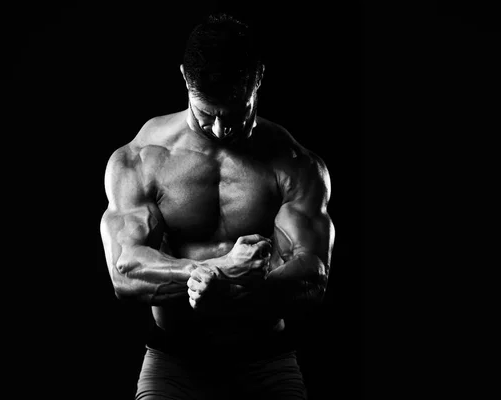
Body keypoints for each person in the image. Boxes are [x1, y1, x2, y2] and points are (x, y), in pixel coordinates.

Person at [100, 12, 334, 400]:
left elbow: (314, 277)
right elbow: (125, 274)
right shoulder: (143, 158)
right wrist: (214, 270)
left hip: (266, 362)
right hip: (175, 363)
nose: (222, 130)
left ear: (257, 77)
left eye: (235, 112)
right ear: (184, 80)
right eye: (205, 114)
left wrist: (234, 287)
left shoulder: (295, 164)